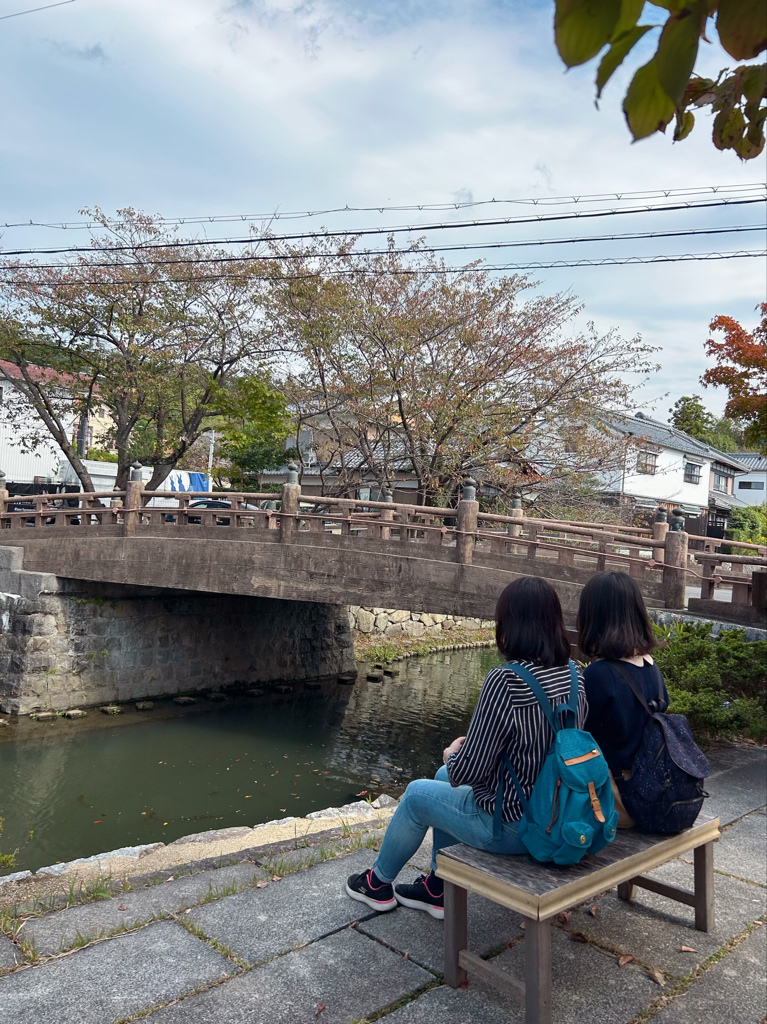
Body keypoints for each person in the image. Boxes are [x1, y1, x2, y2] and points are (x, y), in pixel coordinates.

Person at [345, 576, 586, 920]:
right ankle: (438, 888)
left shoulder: (506, 681)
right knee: (443, 779)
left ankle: (376, 884)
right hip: (558, 813)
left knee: (417, 794)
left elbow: (466, 771)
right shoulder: (575, 675)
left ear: (510, 625)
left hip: (513, 827)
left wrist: (452, 752)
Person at [577, 570, 670, 829]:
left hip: (616, 800)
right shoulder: (652, 669)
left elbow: (578, 738)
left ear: (595, 618)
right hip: (651, 791)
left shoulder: (599, 674)